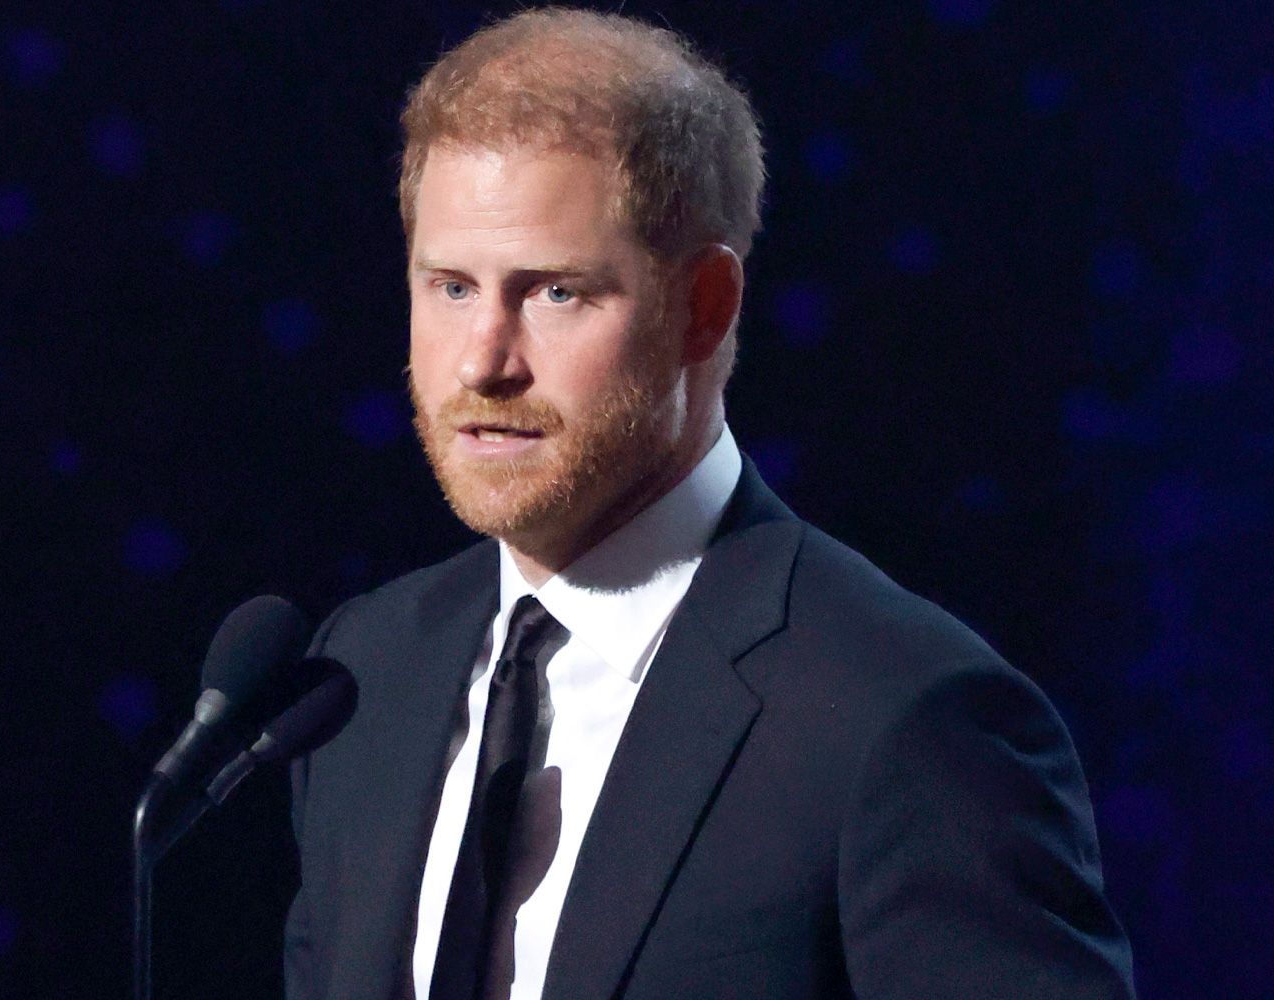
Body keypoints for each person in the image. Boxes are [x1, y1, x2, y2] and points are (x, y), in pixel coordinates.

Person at [283, 8, 1135, 999]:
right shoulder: (362, 672)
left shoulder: (904, 719)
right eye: (451, 286)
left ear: (705, 307)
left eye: (555, 292)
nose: (483, 360)